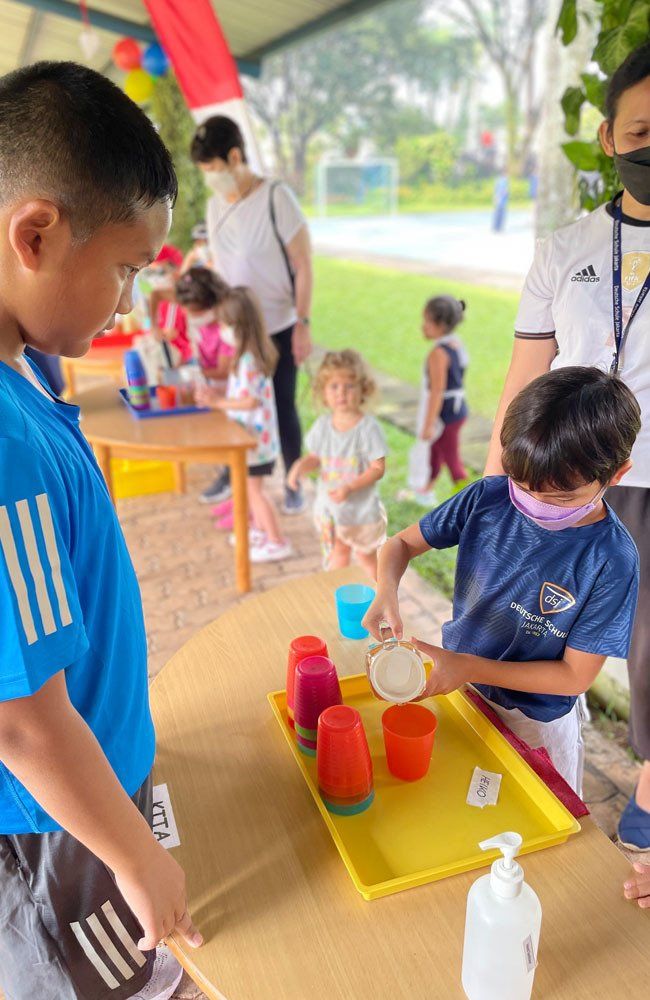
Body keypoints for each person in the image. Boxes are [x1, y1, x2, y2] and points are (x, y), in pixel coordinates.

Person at [0, 62, 201, 1000]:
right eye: (124, 268)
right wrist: (134, 857)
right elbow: (24, 720)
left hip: (94, 793)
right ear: (35, 234)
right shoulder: (6, 447)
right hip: (64, 836)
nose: (126, 302)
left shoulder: (28, 372)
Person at [484, 40, 650, 852]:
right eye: (642, 128)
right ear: (611, 138)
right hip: (561, 480)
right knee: (536, 626)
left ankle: (648, 795)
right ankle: (533, 763)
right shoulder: (564, 248)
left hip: (648, 482)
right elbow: (523, 376)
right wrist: (489, 493)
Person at [364, 367, 640, 796]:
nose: (532, 504)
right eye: (523, 485)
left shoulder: (610, 558)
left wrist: (467, 665)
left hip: (536, 721)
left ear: (617, 474)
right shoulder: (488, 498)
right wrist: (386, 589)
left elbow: (573, 677)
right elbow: (399, 545)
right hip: (465, 690)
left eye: (560, 497)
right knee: (466, 801)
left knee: (542, 817)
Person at [190, 116, 313, 513]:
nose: (210, 177)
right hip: (236, 329)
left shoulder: (276, 197)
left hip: (277, 325)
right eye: (204, 171)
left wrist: (303, 323)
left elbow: (304, 265)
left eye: (213, 168)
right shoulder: (214, 206)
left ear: (235, 156)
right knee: (235, 399)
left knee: (281, 404)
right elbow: (221, 263)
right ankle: (234, 471)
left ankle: (293, 480)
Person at [195, 287, 292, 563]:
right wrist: (218, 397)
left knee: (255, 491)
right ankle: (260, 532)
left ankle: (276, 540)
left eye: (225, 324)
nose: (222, 330)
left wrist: (217, 404)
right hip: (250, 438)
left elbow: (249, 402)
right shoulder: (246, 355)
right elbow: (242, 396)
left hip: (255, 442)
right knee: (249, 489)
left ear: (239, 326)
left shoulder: (249, 360)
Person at [287, 350, 387, 579]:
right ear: (324, 392)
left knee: (365, 559)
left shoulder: (367, 428)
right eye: (334, 386)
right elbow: (316, 457)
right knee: (337, 555)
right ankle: (336, 598)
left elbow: (377, 468)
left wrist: (350, 488)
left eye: (349, 386)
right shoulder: (323, 425)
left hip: (360, 513)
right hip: (331, 511)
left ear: (363, 389)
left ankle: (382, 600)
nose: (341, 392)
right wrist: (299, 467)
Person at [415, 294, 469, 504]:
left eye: (426, 321)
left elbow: (437, 391)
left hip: (446, 414)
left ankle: (469, 502)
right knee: (436, 452)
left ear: (439, 324)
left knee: (452, 460)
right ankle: (425, 490)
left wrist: (428, 425)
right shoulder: (456, 345)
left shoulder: (437, 354)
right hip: (456, 410)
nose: (423, 327)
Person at [175, 266, 232, 380]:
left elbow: (223, 372)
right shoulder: (204, 322)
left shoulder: (227, 333)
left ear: (211, 306)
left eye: (193, 313)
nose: (187, 315)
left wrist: (193, 374)